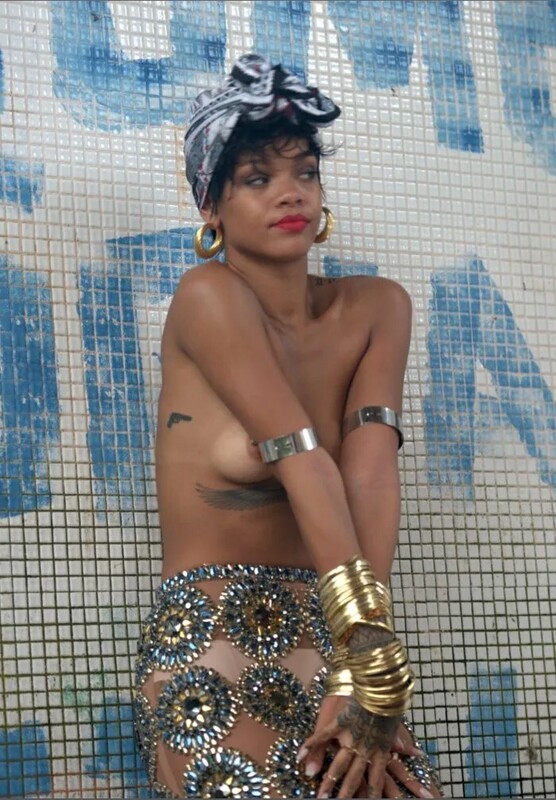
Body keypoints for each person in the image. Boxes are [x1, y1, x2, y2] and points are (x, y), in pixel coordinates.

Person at [133, 54, 442, 799]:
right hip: (215, 646)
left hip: (335, 636)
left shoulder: (378, 310)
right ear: (211, 206)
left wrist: (361, 667)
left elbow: (369, 473)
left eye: (305, 171)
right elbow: (300, 457)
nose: (290, 191)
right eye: (257, 178)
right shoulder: (208, 298)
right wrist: (367, 648)